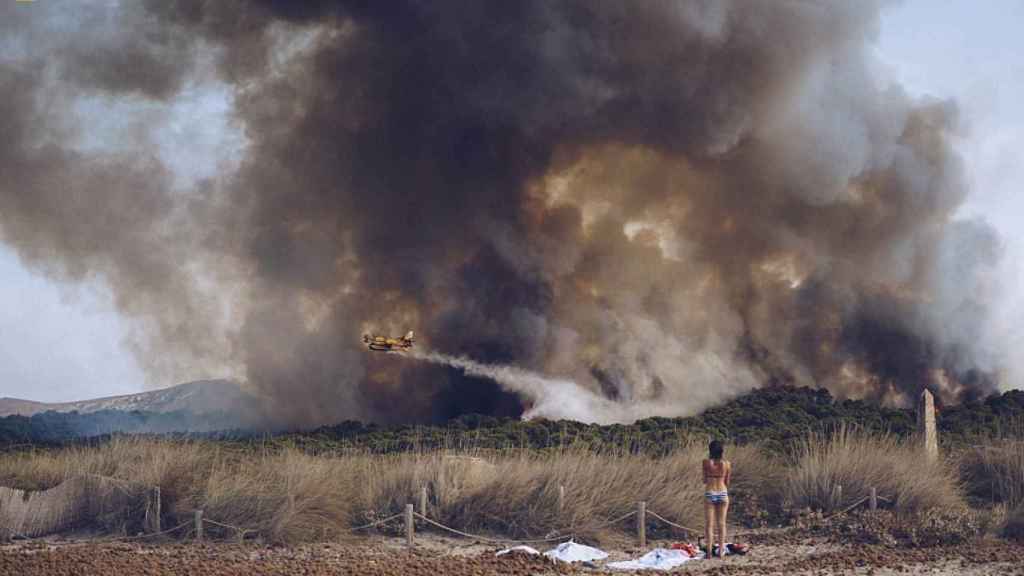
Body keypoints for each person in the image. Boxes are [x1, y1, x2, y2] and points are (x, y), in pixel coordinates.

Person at [702, 439, 731, 559]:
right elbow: (727, 482)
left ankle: (708, 553)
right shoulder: (727, 464)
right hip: (723, 492)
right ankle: (720, 552)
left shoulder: (705, 462)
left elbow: (704, 480)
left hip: (710, 492)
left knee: (709, 525)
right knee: (721, 524)